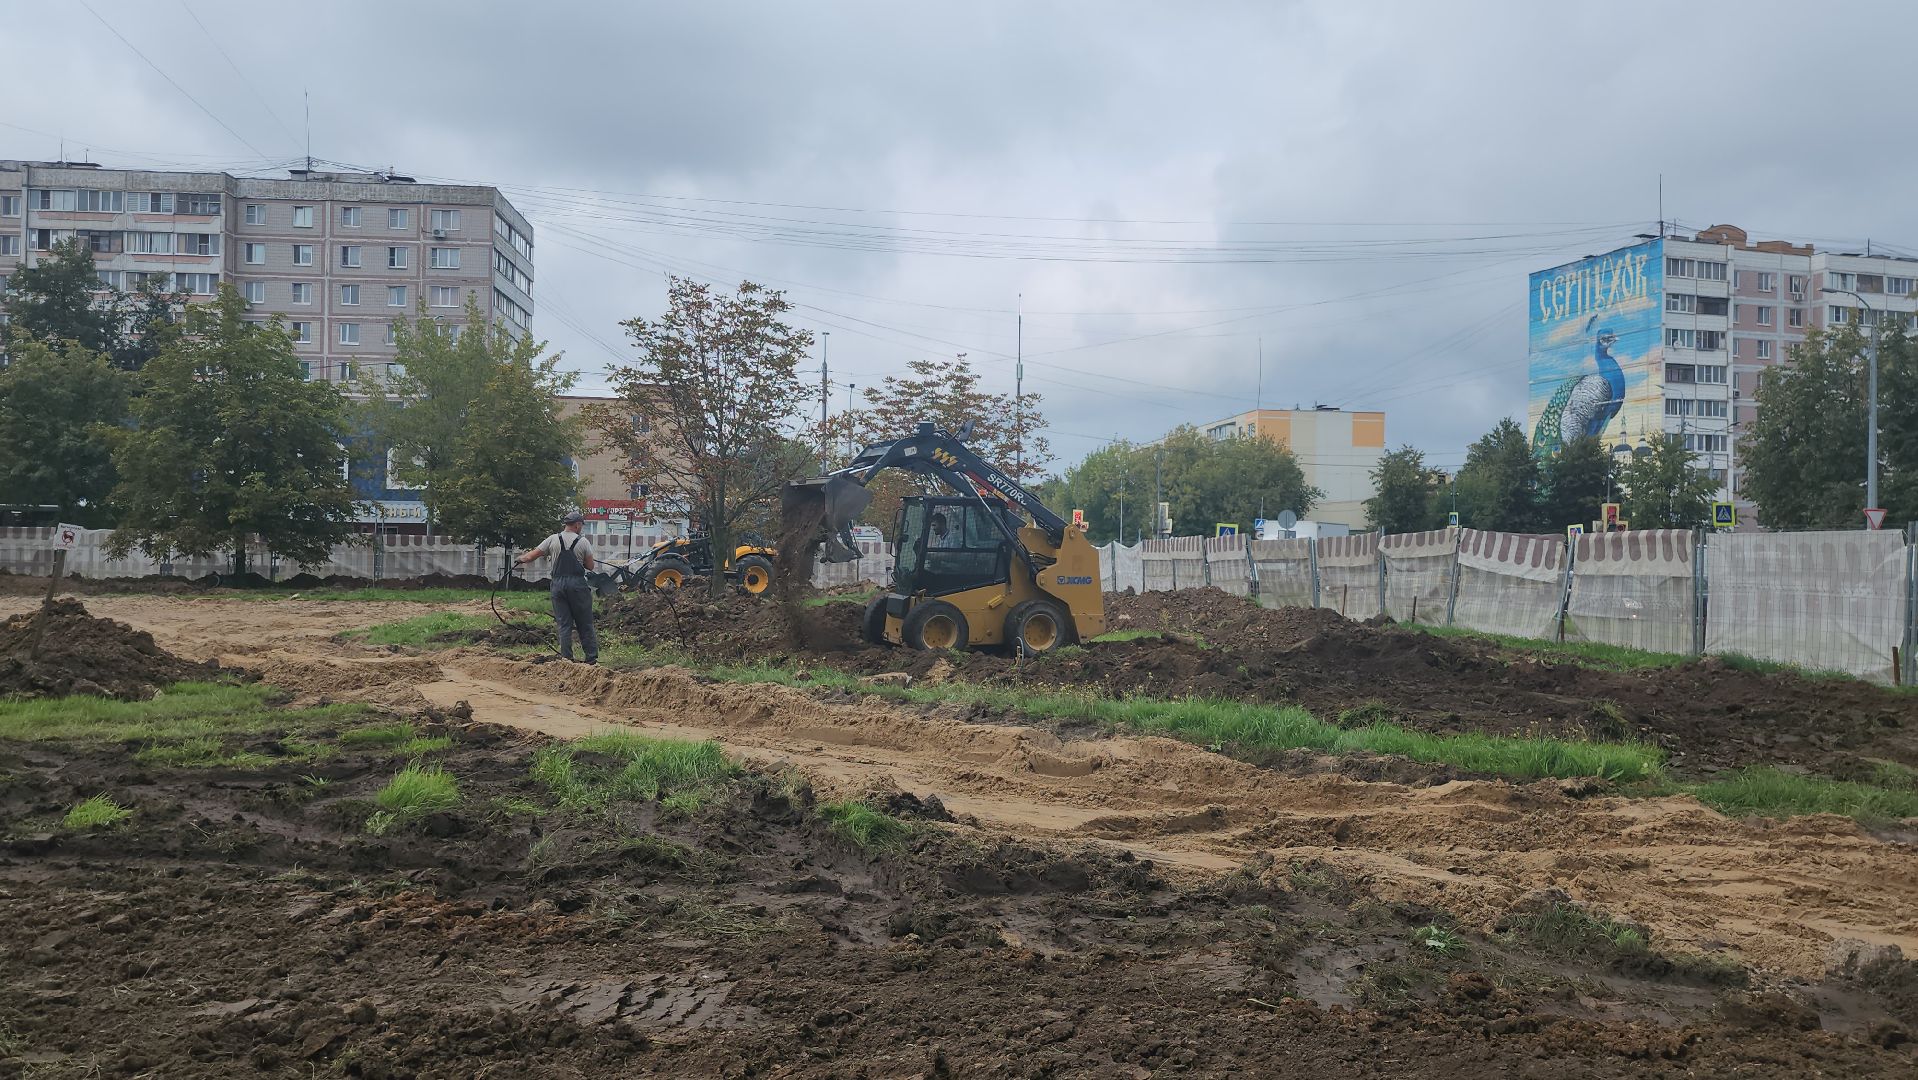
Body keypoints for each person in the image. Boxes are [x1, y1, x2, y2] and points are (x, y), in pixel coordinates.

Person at [516, 510, 599, 664]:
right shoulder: (583, 542)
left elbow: (530, 556)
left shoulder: (552, 539)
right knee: (585, 623)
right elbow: (591, 566)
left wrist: (520, 559)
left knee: (564, 623)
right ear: (577, 525)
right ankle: (591, 659)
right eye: (581, 525)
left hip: (558, 585)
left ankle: (566, 658)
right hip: (577, 585)